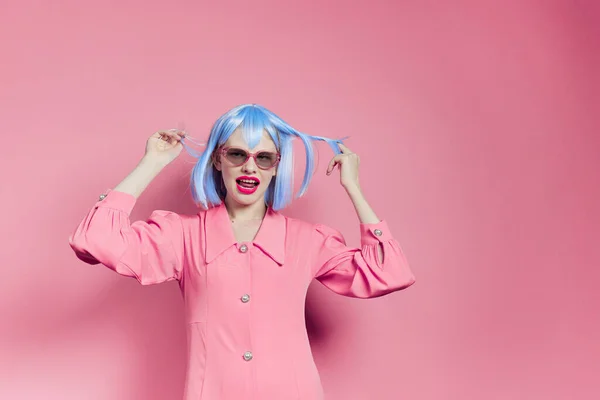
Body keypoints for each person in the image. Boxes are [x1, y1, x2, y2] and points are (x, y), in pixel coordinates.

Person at [68, 103, 416, 400]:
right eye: (237, 154)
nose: (250, 166)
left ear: (277, 166)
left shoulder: (308, 241)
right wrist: (152, 163)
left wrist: (353, 187)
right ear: (218, 160)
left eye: (263, 157)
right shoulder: (184, 236)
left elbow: (389, 273)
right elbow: (95, 239)